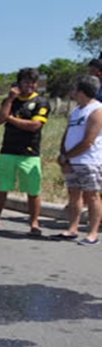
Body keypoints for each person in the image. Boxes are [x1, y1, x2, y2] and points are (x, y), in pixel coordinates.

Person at [0, 68, 51, 236]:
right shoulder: (10, 101)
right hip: (8, 150)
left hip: (30, 153)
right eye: (26, 82)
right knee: (1, 188)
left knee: (33, 191)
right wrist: (11, 99)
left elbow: (34, 126)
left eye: (33, 82)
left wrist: (11, 119)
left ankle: (34, 224)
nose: (30, 85)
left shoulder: (41, 102)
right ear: (18, 83)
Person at [55, 75, 102, 245]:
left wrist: (68, 156)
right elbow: (67, 134)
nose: (72, 92)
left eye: (74, 89)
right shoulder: (76, 110)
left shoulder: (97, 110)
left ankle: (92, 233)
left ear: (82, 91)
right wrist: (63, 155)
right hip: (71, 160)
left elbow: (88, 141)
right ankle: (72, 229)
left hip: (89, 161)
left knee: (92, 196)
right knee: (74, 194)